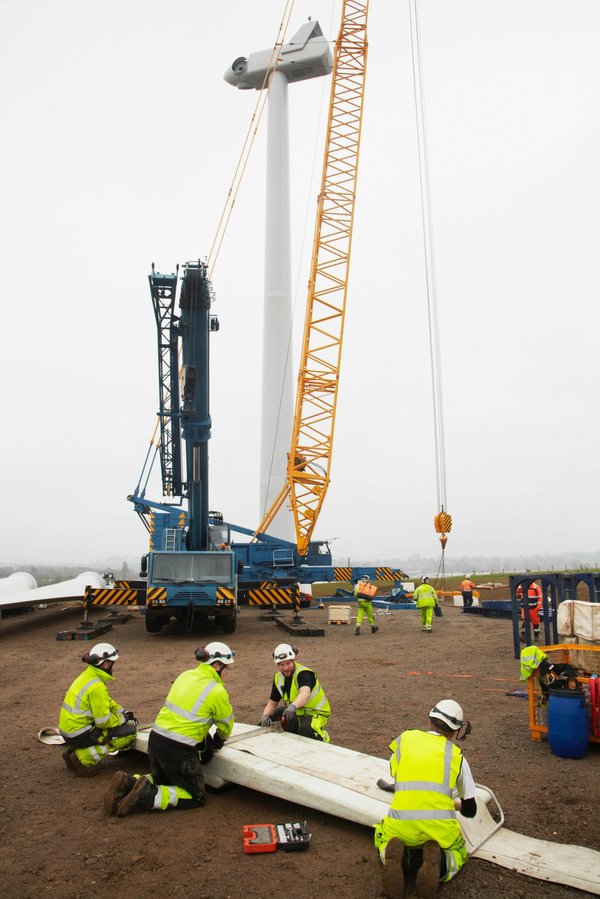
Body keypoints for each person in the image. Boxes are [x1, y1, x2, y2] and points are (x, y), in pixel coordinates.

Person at [104, 641, 235, 817]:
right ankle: (147, 796)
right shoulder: (216, 690)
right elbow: (226, 724)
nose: (228, 673)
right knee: (196, 796)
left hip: (156, 740)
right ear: (217, 665)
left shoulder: (185, 675)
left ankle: (128, 783)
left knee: (162, 779)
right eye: (227, 668)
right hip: (178, 752)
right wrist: (219, 739)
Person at [374, 699, 477, 899]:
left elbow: (397, 774)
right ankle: (441, 866)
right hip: (438, 830)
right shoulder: (457, 757)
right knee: (458, 852)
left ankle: (400, 860)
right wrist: (451, 803)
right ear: (456, 732)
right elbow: (470, 810)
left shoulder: (405, 740)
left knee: (383, 836)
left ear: (429, 721)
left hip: (400, 825)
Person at [58, 642, 137, 777]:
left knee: (116, 726)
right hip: (79, 734)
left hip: (70, 731)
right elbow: (104, 721)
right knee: (127, 733)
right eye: (113, 663)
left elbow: (107, 702)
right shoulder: (97, 686)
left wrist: (122, 712)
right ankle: (83, 759)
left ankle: (74, 753)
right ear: (106, 664)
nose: (113, 666)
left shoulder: (87, 677)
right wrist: (123, 719)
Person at [258, 643, 331, 743]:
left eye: (288, 663)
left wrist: (293, 706)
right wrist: (265, 716)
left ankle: (324, 737)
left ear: (294, 660)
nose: (285, 668)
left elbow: (305, 693)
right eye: (282, 665)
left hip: (316, 712)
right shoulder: (278, 678)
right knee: (270, 719)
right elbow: (272, 703)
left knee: (306, 730)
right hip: (297, 711)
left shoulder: (303, 674)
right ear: (277, 665)